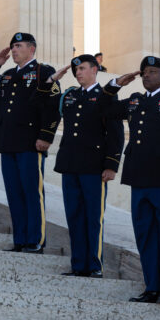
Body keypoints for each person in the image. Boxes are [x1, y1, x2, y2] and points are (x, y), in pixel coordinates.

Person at [100, 56, 160, 305]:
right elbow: (103, 111)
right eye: (144, 72)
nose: (146, 76)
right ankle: (151, 286)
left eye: (153, 72)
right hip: (139, 177)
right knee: (145, 234)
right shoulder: (135, 100)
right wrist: (114, 85)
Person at [0, 32, 61, 252]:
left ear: (31, 49)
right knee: (14, 193)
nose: (13, 50)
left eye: (18, 46)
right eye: (12, 46)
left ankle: (35, 239)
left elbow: (53, 106)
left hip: (30, 142)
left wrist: (45, 136)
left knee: (31, 191)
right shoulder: (6, 75)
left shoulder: (43, 72)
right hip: (7, 142)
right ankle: (21, 239)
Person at [53, 54, 124, 277]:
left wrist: (111, 164)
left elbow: (115, 133)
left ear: (95, 69)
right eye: (76, 70)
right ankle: (78, 265)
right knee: (74, 216)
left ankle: (94, 265)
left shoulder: (105, 97)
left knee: (93, 217)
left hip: (94, 167)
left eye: (83, 68)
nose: (78, 73)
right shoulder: (71, 95)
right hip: (70, 164)